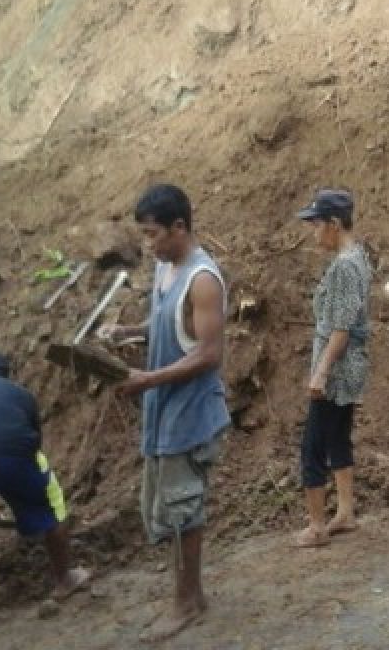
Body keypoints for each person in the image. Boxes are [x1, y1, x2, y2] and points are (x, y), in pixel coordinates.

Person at [102, 184, 230, 643]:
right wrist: (131, 330)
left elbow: (209, 353)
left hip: (189, 413)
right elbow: (170, 325)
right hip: (164, 411)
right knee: (166, 507)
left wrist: (147, 380)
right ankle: (186, 593)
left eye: (154, 233)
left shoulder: (202, 279)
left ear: (180, 227)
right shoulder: (164, 269)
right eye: (143, 234)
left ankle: (188, 601)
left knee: (183, 509)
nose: (148, 243)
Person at [0, 350, 92, 600]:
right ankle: (65, 579)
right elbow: (35, 439)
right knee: (54, 511)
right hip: (17, 457)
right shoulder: (20, 393)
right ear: (5, 373)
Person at [293, 189, 371, 548]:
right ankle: (345, 511)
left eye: (317, 225)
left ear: (335, 224)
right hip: (353, 363)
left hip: (337, 366)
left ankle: (317, 524)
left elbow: (340, 329)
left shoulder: (343, 266)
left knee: (313, 445)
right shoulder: (359, 257)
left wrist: (321, 371)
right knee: (338, 435)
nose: (314, 234)